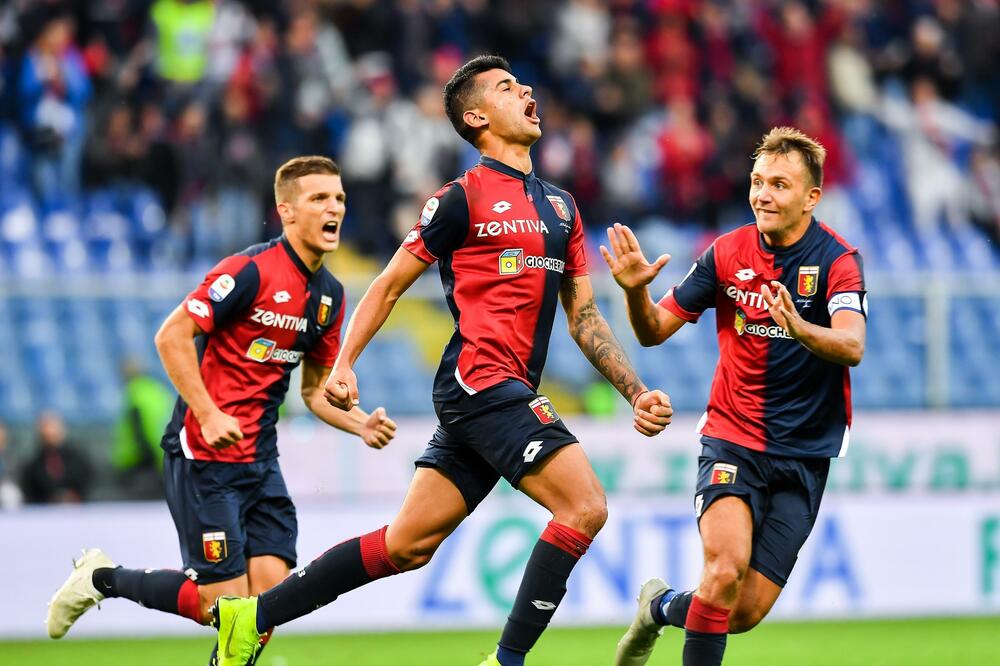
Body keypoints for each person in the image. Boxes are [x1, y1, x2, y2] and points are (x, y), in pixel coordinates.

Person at [211, 54, 673, 666]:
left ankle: (253, 616)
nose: (527, 90)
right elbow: (388, 285)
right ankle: (505, 662)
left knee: (407, 546)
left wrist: (635, 390)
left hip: (493, 395)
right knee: (584, 506)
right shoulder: (461, 198)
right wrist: (344, 362)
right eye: (508, 88)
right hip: (481, 383)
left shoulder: (562, 208)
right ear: (477, 116)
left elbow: (584, 318)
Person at [46, 156, 398, 666]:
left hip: (260, 460)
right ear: (287, 211)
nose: (334, 208)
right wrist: (208, 412)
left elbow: (315, 391)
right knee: (222, 606)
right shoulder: (250, 271)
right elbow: (170, 337)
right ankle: (99, 578)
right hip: (204, 456)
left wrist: (359, 422)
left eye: (339, 198)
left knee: (271, 604)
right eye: (320, 198)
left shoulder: (329, 296)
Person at [608, 127, 866, 666]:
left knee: (740, 612)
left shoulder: (839, 261)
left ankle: (657, 608)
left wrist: (800, 329)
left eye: (779, 184)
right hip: (732, 438)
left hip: (804, 454)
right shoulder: (726, 253)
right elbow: (654, 329)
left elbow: (851, 345)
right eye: (756, 182)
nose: (762, 194)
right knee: (723, 572)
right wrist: (635, 291)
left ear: (811, 197)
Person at [112, 359, 174, 500]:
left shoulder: (134, 393)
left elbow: (139, 430)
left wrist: (149, 456)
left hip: (139, 461)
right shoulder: (159, 391)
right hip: (163, 457)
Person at [20, 411, 93, 504]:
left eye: (54, 430)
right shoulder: (33, 464)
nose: (50, 434)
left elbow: (86, 481)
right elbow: (32, 491)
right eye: (46, 434)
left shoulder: (79, 458)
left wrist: (71, 496)